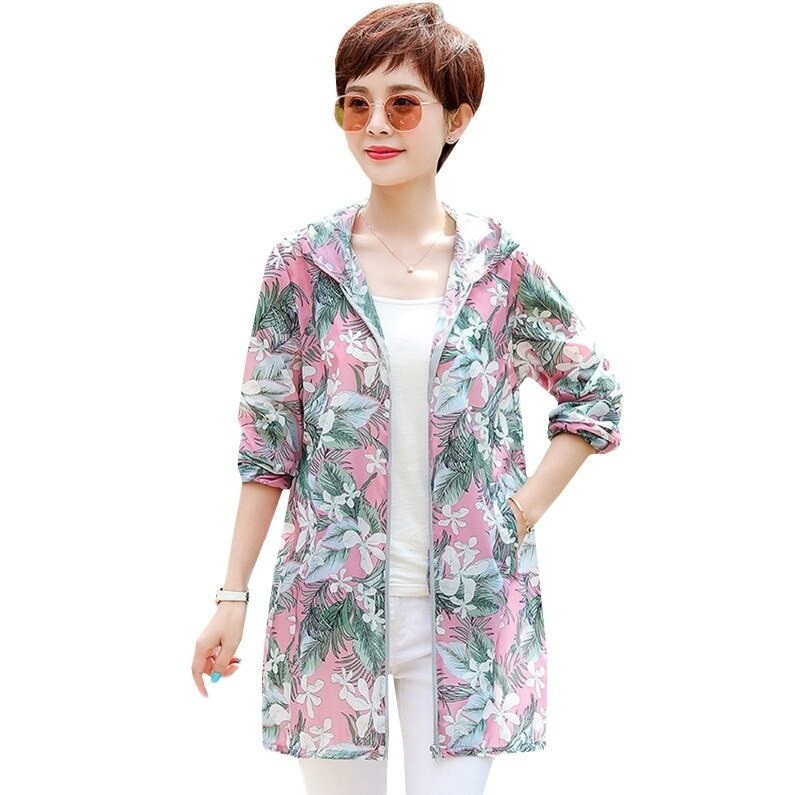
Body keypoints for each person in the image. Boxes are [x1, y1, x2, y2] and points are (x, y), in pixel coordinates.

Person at [191, 4, 623, 794]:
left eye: (403, 103)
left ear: (457, 118)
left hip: (470, 613)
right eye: (356, 104)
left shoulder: (498, 265)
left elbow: (592, 392)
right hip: (331, 610)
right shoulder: (303, 265)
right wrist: (231, 595)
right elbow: (267, 446)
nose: (376, 125)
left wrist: (519, 511)